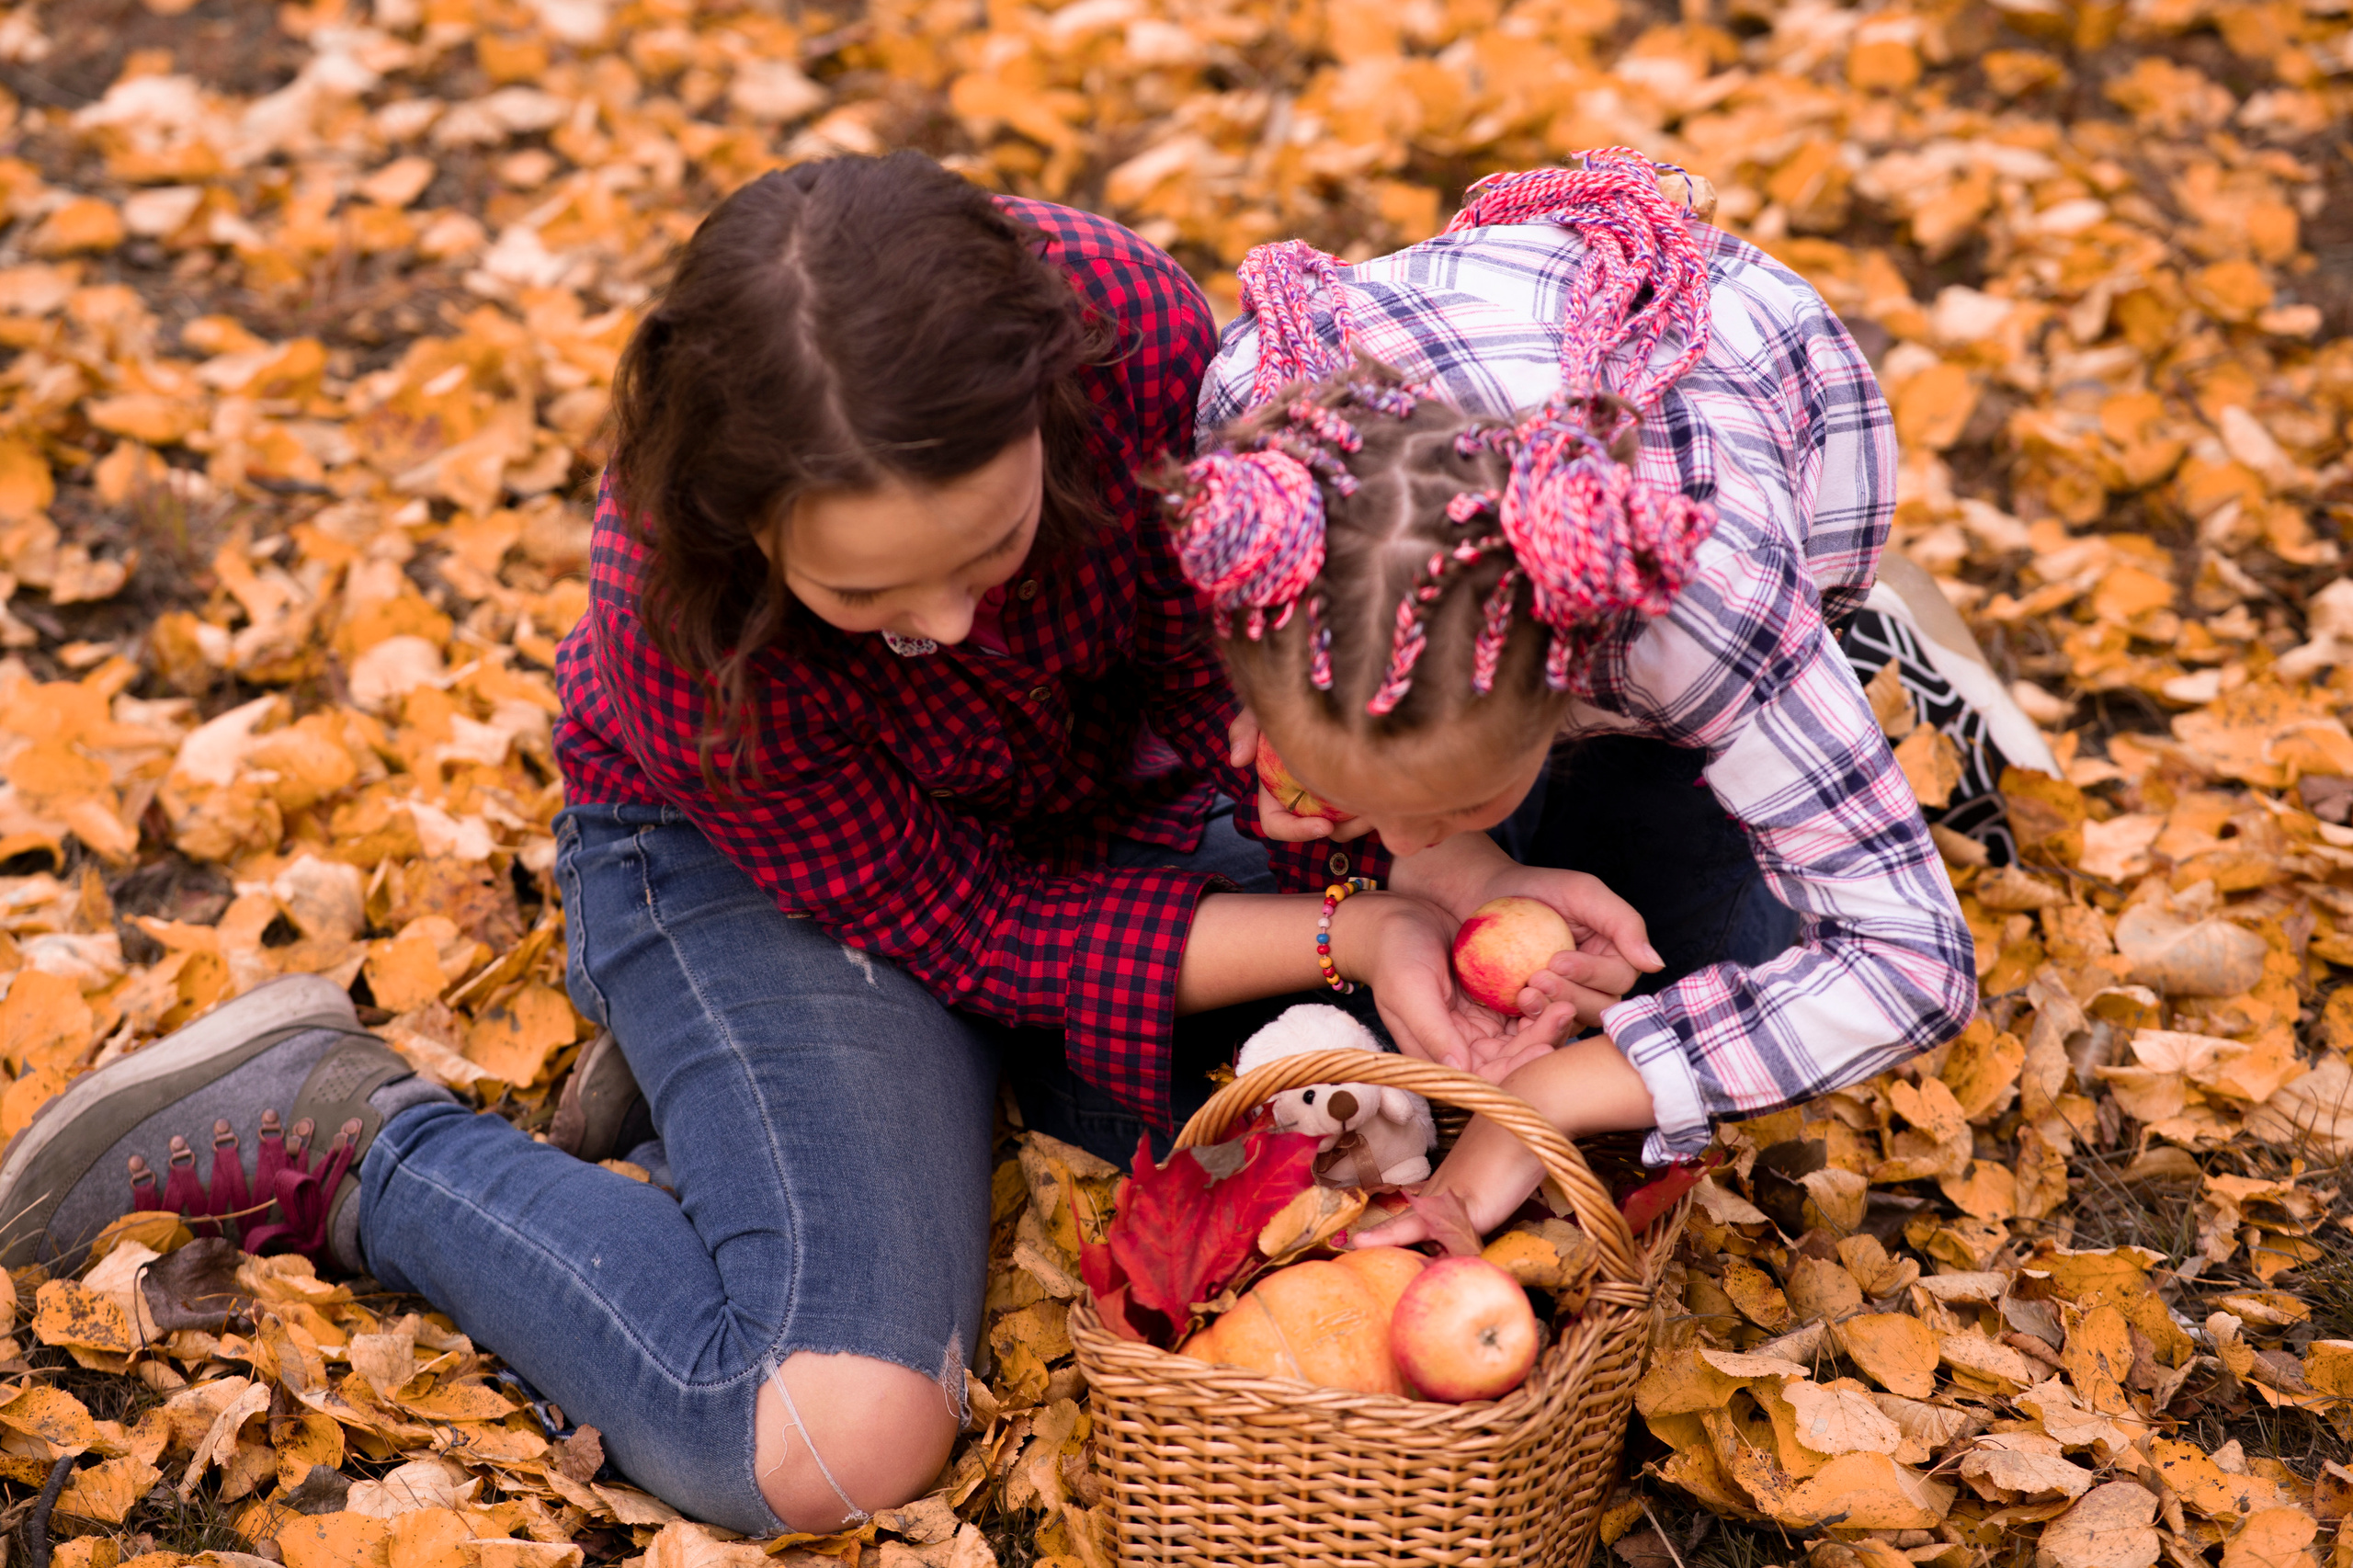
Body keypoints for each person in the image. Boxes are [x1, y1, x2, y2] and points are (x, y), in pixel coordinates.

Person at [0, 153, 1650, 1536]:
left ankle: (740, 1118)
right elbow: (976, 917)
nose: (943, 622)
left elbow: (1248, 659)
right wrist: (1351, 931)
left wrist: (1423, 868)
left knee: (1349, 1107)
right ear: (744, 531)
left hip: (1097, 805)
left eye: (994, 547)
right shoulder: (686, 621)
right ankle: (362, 1142)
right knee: (821, 1434)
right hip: (783, 873)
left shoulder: (1133, 339)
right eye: (865, 595)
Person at [1155, 152, 1981, 1247]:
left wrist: (1556, 1094)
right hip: (1475, 369)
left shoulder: (1697, 606)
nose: (1394, 840)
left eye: (1443, 802)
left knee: (1710, 952)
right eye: (1363, 792)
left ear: (1569, 679)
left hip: (1739, 420)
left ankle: (1878, 665)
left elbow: (1908, 964)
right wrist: (1438, 848)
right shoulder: (1260, 471)